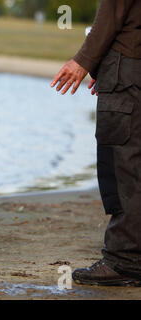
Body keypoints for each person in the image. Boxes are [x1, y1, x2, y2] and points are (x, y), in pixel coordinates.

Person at [51, 0, 141, 286]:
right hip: (128, 65)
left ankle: (124, 261)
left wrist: (84, 61)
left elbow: (113, 13)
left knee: (122, 167)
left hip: (127, 71)